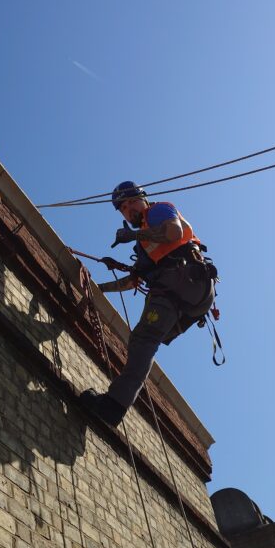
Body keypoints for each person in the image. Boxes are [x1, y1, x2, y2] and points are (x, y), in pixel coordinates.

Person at [79, 181, 215, 427]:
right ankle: (115, 404)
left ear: (143, 198)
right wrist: (99, 289)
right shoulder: (145, 246)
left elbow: (173, 232)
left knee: (143, 340)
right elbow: (132, 281)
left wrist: (133, 234)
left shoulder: (158, 211)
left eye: (131, 202)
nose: (128, 209)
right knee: (143, 338)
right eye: (122, 208)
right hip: (188, 293)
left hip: (184, 280)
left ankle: (112, 407)